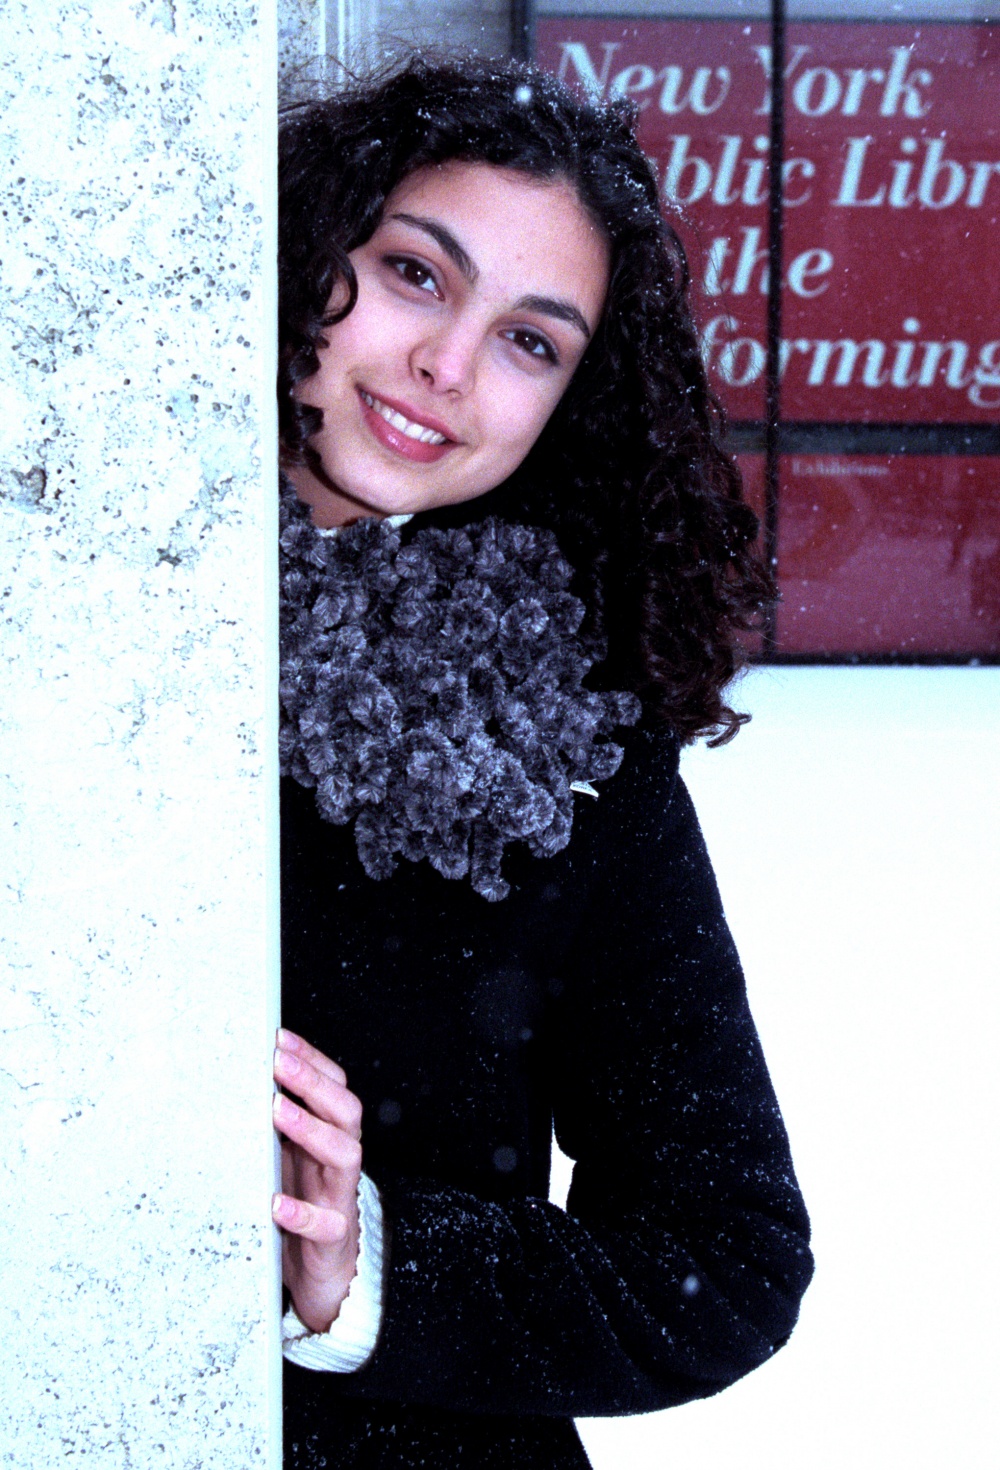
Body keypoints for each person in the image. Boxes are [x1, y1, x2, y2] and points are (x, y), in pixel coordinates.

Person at [273, 53, 813, 1470]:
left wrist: (372, 1265)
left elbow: (725, 1254)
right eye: (414, 274)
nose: (447, 367)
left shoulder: (566, 738)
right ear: (300, 246)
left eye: (531, 341)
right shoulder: (60, 630)